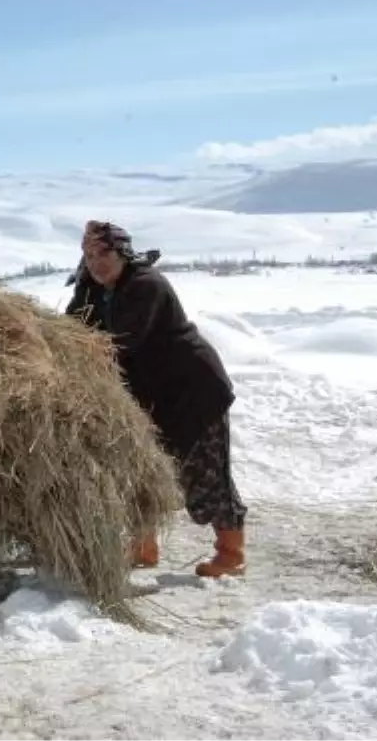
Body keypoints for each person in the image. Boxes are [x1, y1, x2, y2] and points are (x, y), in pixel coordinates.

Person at [65, 220, 248, 578]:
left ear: (123, 253)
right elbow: (72, 328)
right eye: (88, 255)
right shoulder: (91, 288)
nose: (96, 262)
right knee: (139, 468)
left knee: (203, 471)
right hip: (147, 394)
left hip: (191, 390)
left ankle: (231, 554)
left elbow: (119, 342)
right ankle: (142, 547)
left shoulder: (146, 285)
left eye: (104, 253)